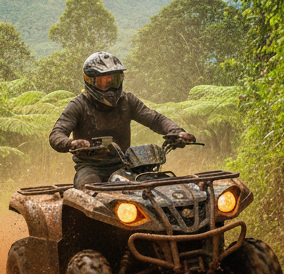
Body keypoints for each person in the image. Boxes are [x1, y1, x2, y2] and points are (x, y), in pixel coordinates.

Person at [49, 51, 196, 187]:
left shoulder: (127, 101)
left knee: (153, 186)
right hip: (90, 168)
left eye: (114, 81)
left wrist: (177, 132)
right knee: (89, 189)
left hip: (123, 165)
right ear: (90, 81)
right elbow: (56, 134)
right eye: (103, 82)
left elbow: (155, 119)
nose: (110, 88)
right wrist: (71, 143)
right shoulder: (78, 105)